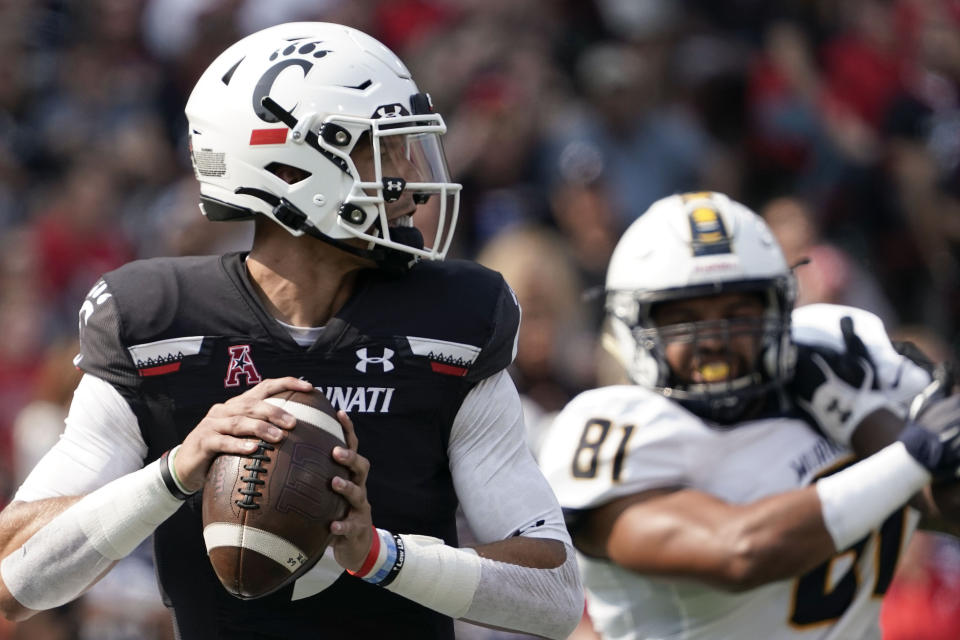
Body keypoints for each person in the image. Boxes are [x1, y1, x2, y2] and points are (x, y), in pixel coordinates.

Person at [0, 22, 582, 640]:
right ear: (294, 166)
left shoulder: (451, 318)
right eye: (383, 149)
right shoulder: (157, 321)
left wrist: (379, 556)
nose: (410, 181)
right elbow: (13, 582)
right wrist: (173, 473)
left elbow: (553, 594)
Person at [539, 190, 960, 639]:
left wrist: (868, 419)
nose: (715, 340)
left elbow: (948, 504)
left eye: (739, 313)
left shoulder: (842, 362)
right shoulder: (610, 430)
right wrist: (913, 453)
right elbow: (740, 553)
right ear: (634, 325)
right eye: (686, 318)